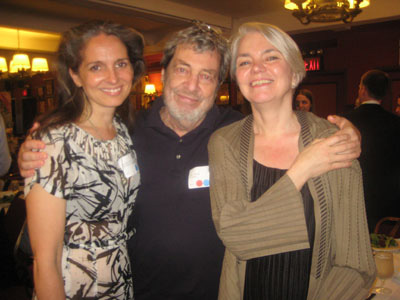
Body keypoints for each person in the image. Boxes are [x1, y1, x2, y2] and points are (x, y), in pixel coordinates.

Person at [18, 23, 361, 300]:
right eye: (182, 70)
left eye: (207, 75)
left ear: (219, 84)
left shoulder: (232, 133)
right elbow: (79, 149)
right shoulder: (129, 132)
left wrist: (348, 133)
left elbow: (280, 128)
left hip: (222, 291)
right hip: (138, 290)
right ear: (163, 73)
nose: (192, 86)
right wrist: (33, 150)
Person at [208, 22, 375, 300]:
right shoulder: (224, 143)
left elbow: (355, 261)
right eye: (245, 61)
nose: (257, 68)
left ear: (296, 72)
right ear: (237, 78)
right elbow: (238, 237)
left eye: (271, 56)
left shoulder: (333, 140)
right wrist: (303, 168)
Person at [24, 20, 143, 299]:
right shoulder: (54, 143)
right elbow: (46, 261)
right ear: (75, 76)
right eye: (96, 67)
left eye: (121, 64)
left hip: (120, 280)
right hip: (74, 285)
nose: (113, 78)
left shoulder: (123, 132)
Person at [343, 70, 400, 232]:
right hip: (389, 207)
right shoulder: (396, 123)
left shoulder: (344, 121)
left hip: (353, 201)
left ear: (363, 89)